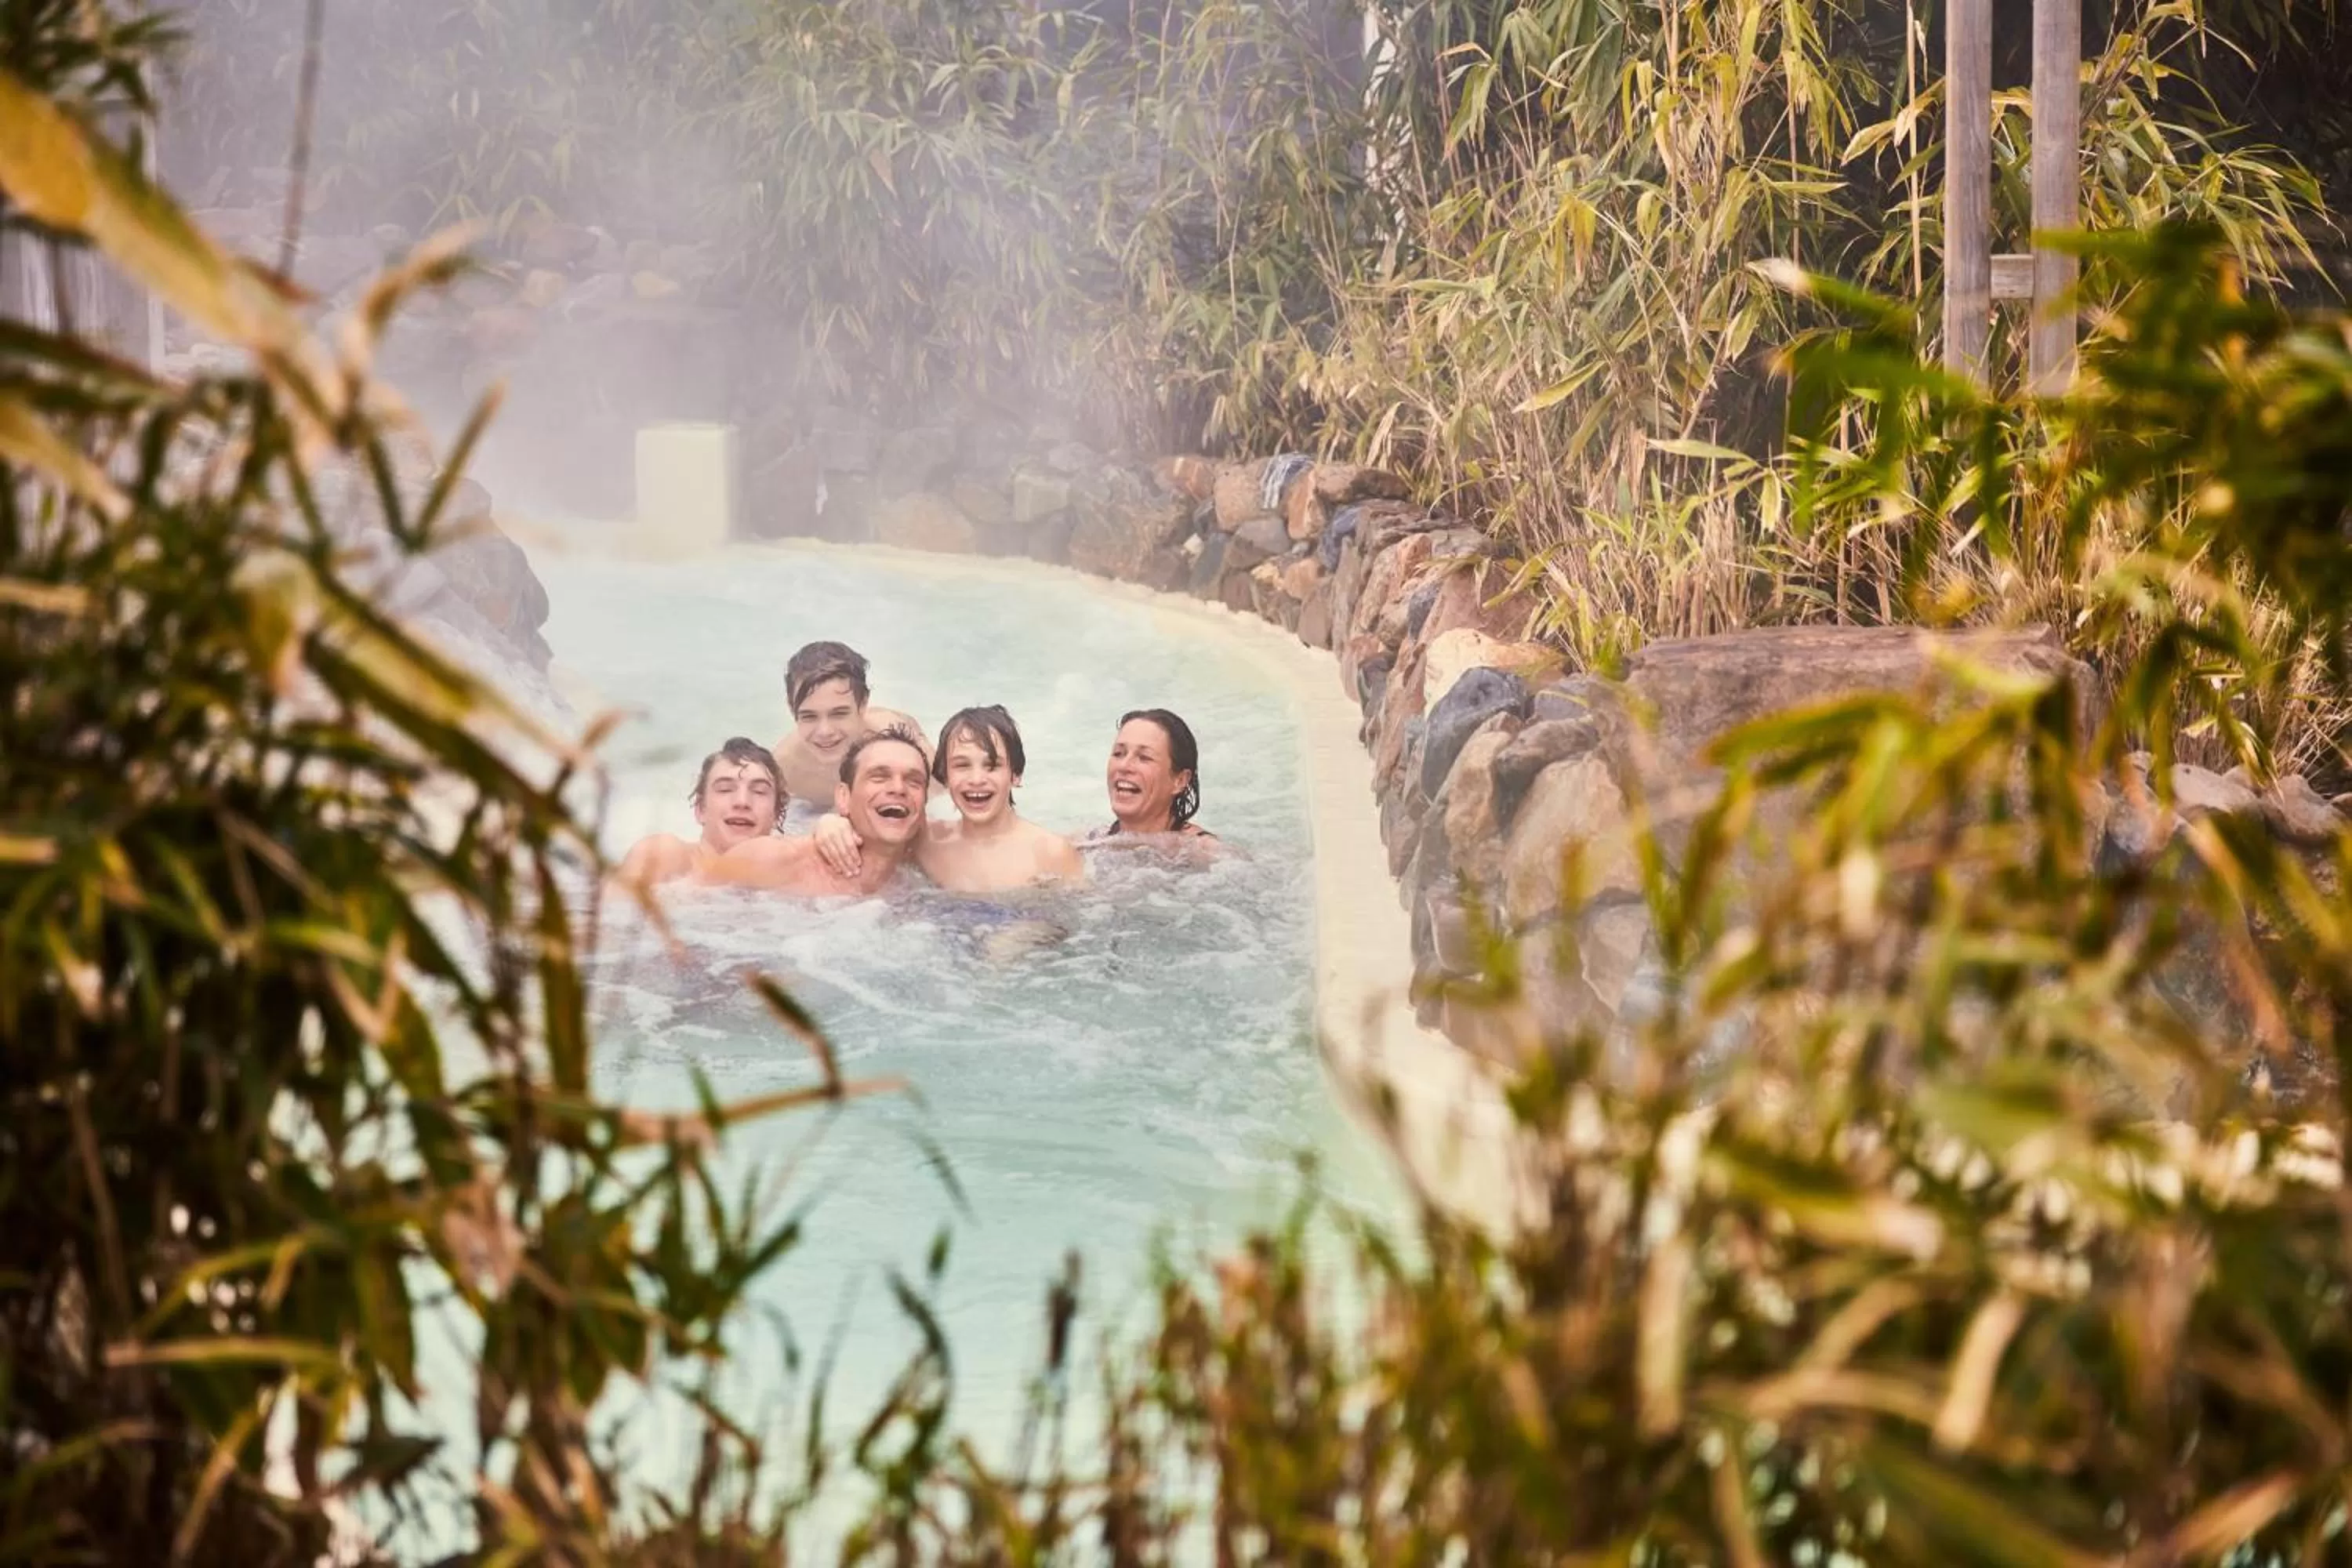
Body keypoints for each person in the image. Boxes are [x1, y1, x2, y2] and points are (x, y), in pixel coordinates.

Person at [811, 704, 1084, 892]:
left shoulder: (1050, 853)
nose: (976, 779)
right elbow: (873, 827)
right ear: (945, 776)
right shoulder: (926, 839)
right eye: (962, 765)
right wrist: (832, 821)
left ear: (1016, 775)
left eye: (992, 766)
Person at [705, 725, 930, 896]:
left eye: (914, 781)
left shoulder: (926, 870)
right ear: (844, 797)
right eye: (879, 776)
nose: (898, 788)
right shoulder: (770, 861)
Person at [771, 641, 930, 823]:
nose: (825, 732)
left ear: (863, 705)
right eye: (809, 717)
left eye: (838, 714)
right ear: (792, 710)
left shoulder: (901, 743)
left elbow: (940, 801)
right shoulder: (785, 768)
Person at [611, 736, 785, 891]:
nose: (742, 802)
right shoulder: (666, 856)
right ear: (700, 809)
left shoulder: (791, 876)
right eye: (725, 789)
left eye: (760, 792)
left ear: (777, 814)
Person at [1091, 708, 1218, 844]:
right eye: (1118, 754)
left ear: (1179, 781)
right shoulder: (1080, 847)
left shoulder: (1205, 852)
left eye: (1144, 757)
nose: (1124, 766)